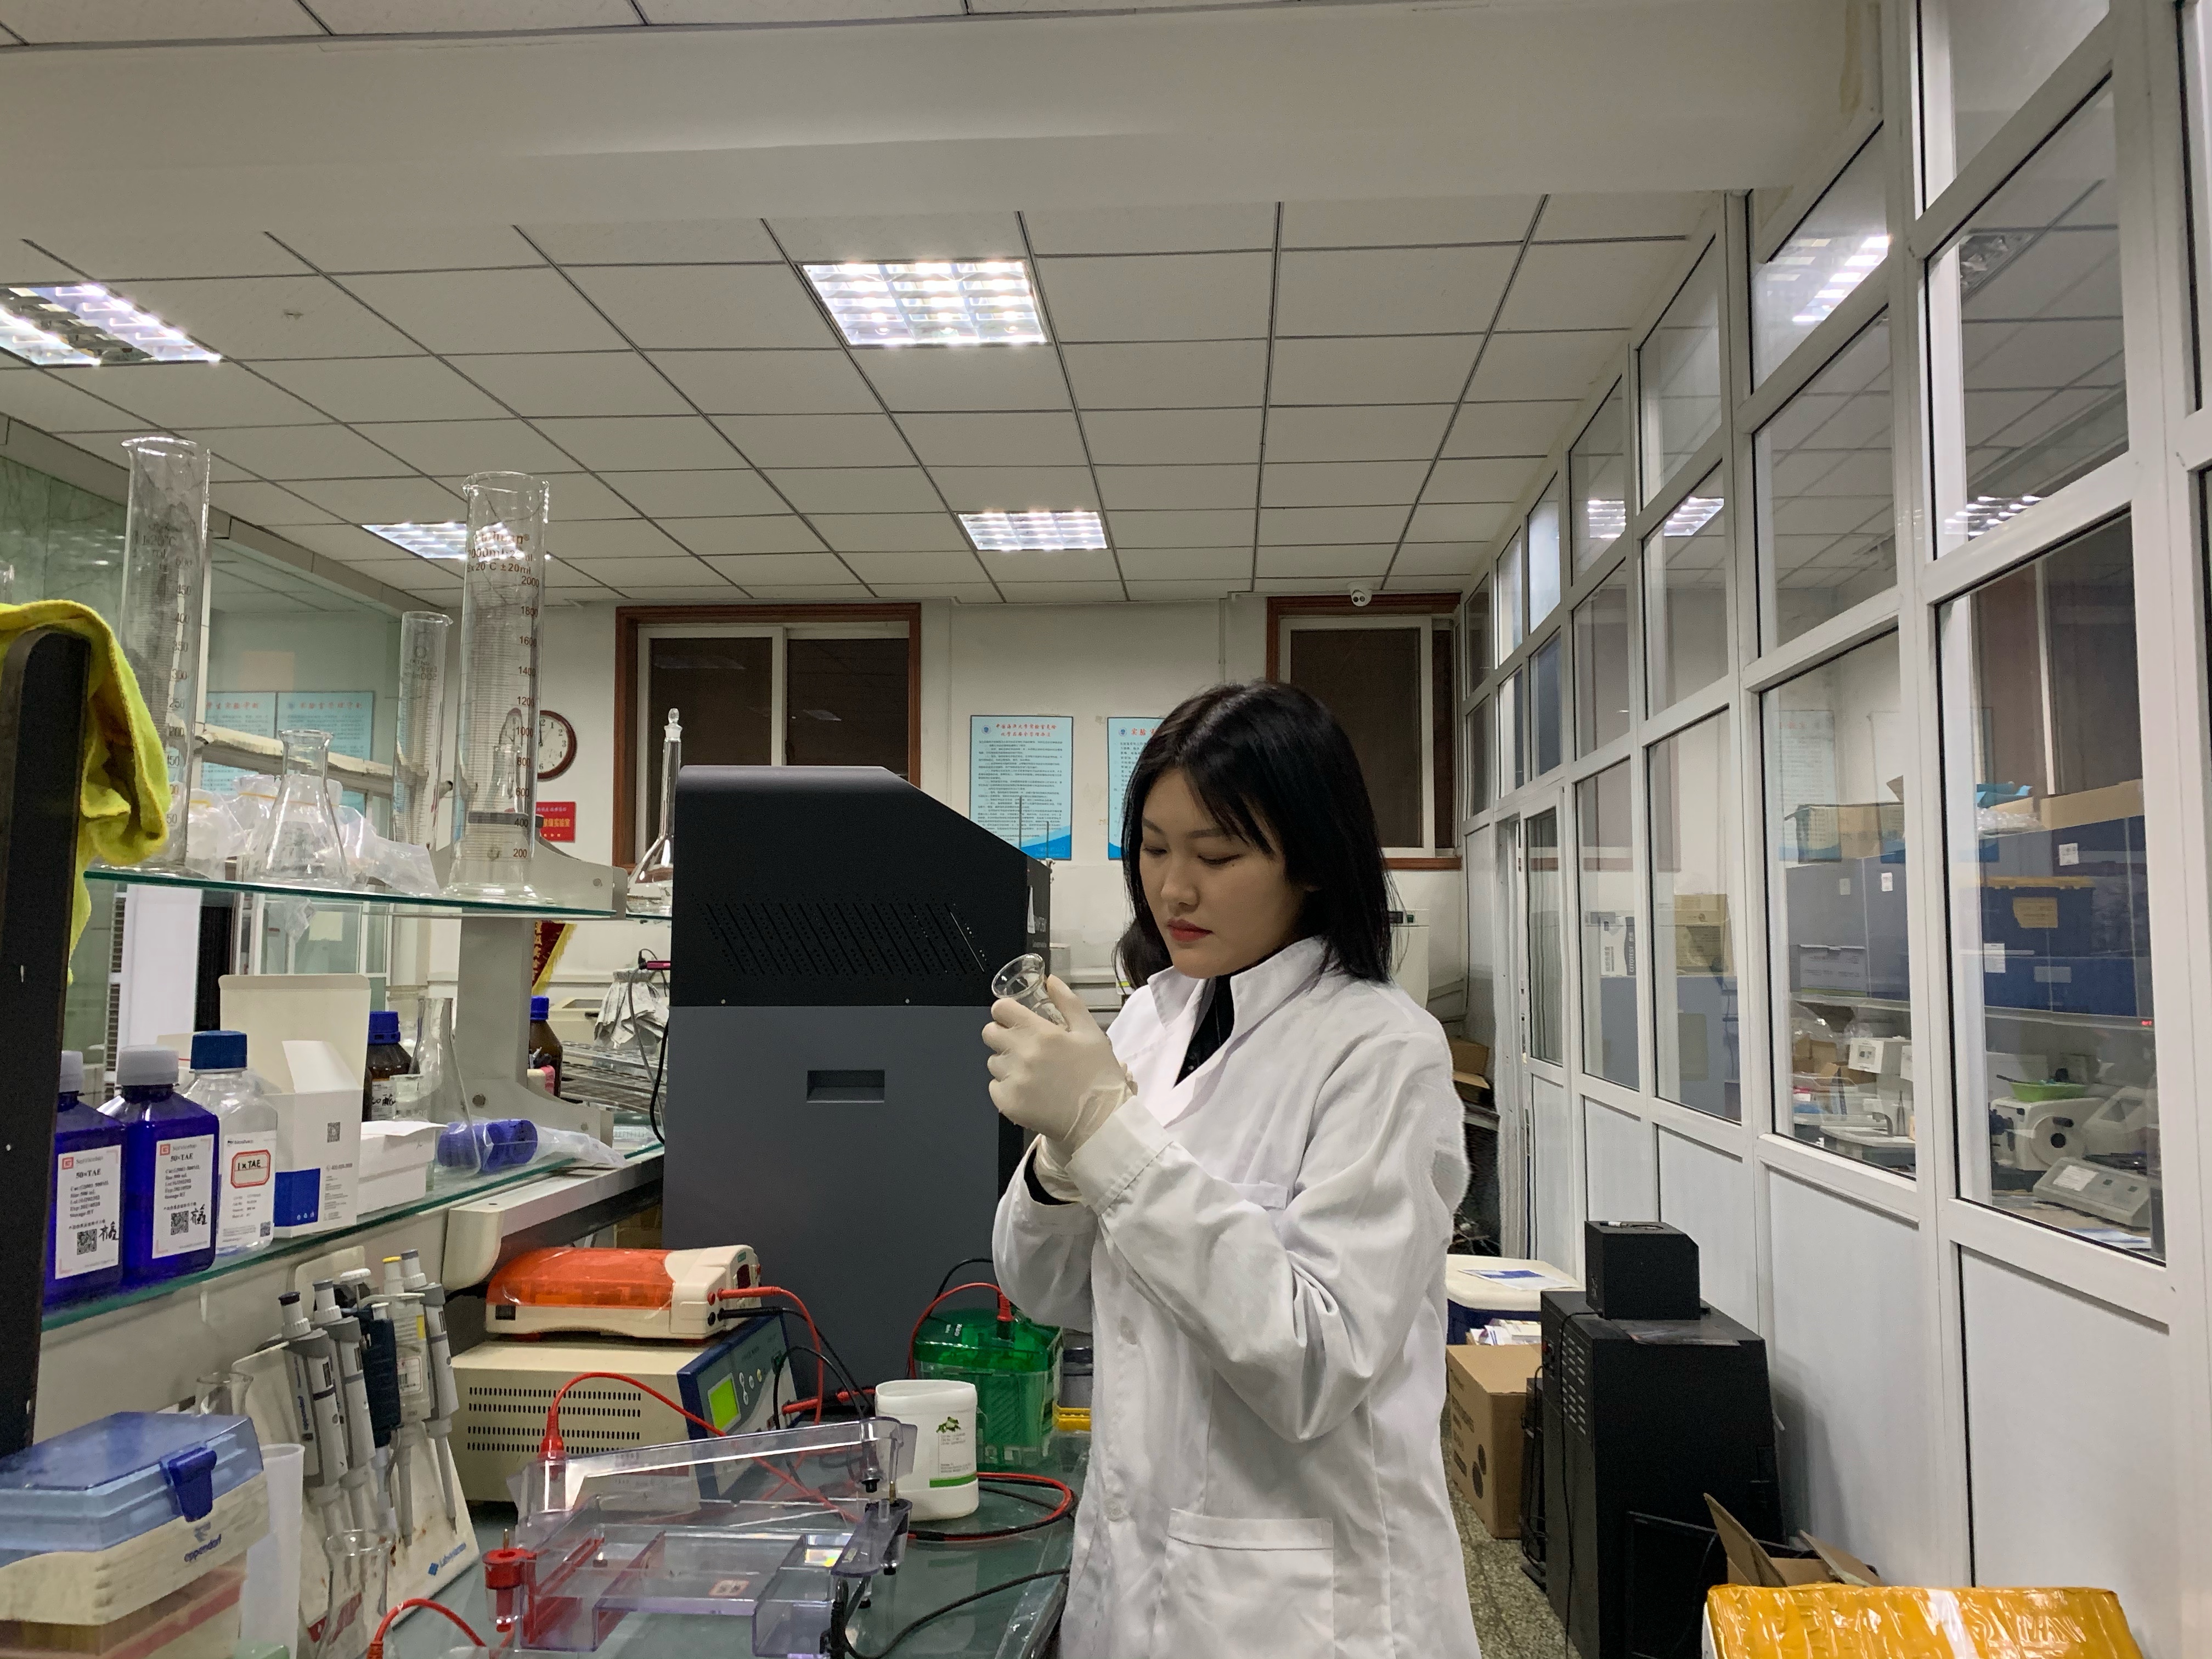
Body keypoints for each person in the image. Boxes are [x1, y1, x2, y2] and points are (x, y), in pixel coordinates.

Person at [984, 680, 1479, 1659]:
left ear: (1313, 862)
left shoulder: (1383, 1051)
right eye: (1153, 849)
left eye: (1216, 856)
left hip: (1300, 1608)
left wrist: (1107, 1133)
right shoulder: (1150, 1021)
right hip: (1131, 1576)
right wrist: (1060, 1162)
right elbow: (1045, 1291)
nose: (1174, 889)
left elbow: (1317, 1363)